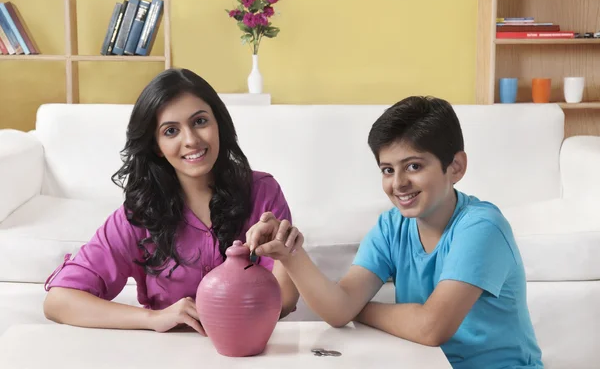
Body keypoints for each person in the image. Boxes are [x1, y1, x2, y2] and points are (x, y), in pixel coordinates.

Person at [246, 96, 544, 368]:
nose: (398, 183)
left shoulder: (482, 227)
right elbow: (339, 310)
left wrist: (358, 309)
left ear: (455, 167)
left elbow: (431, 327)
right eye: (388, 170)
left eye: (413, 166)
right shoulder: (391, 227)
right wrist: (289, 255)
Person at [43, 68, 299, 335]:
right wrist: (153, 318)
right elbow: (59, 301)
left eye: (200, 121)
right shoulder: (140, 215)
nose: (191, 140)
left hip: (250, 349)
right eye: (171, 131)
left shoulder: (262, 191)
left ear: (218, 123)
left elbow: (285, 300)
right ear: (156, 146)